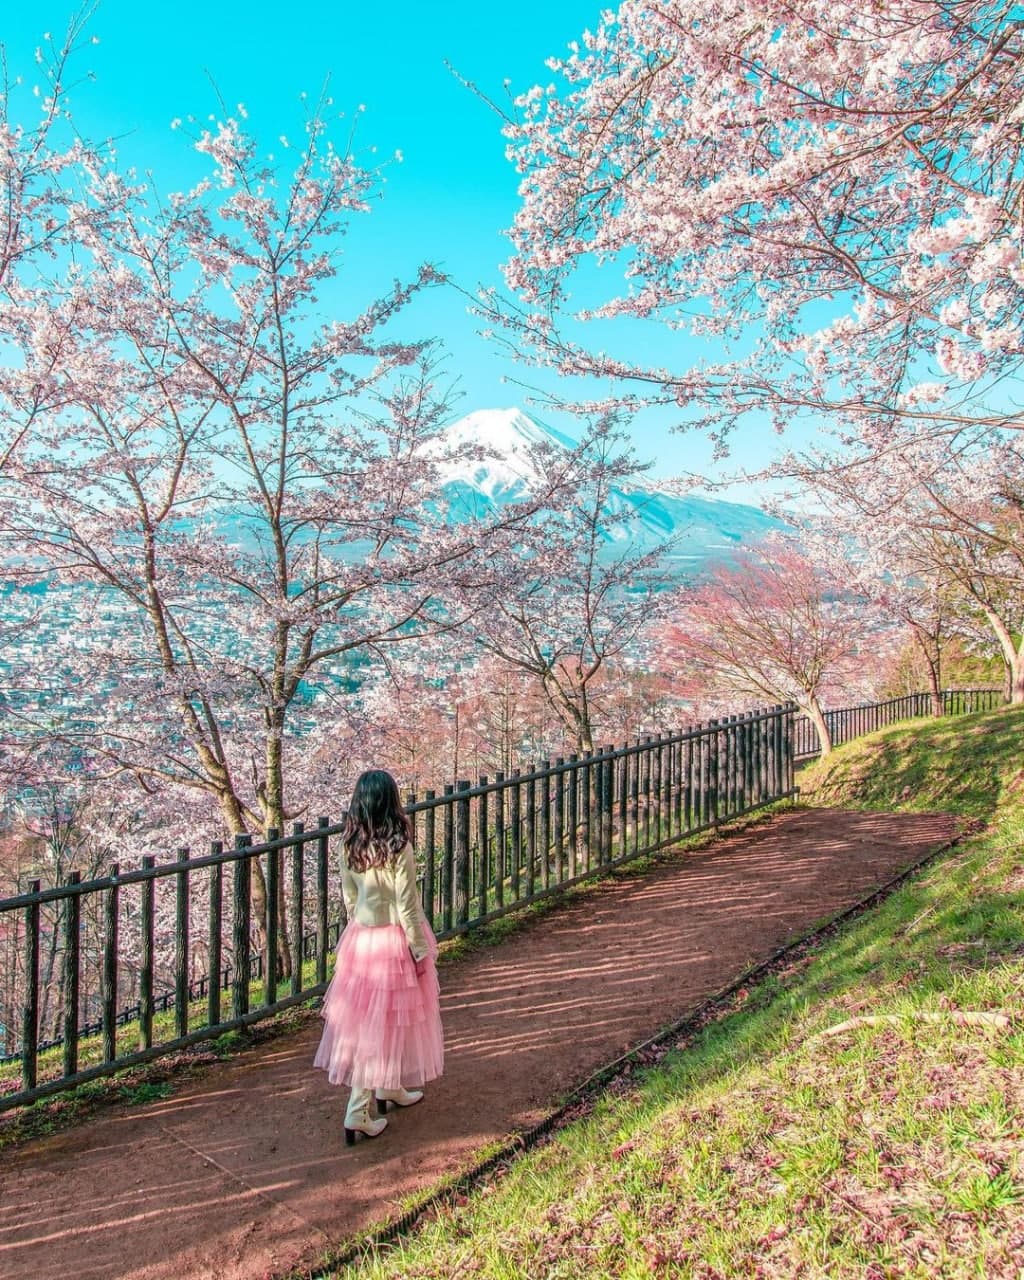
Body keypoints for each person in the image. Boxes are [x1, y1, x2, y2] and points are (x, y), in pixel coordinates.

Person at [314, 769, 444, 1144]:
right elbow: (407, 905)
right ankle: (357, 1110)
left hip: (363, 938)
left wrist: (361, 923)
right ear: (391, 802)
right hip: (394, 940)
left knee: (370, 1021)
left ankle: (389, 1087)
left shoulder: (349, 845)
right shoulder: (399, 846)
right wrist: (419, 949)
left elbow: (349, 897)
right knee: (384, 1024)